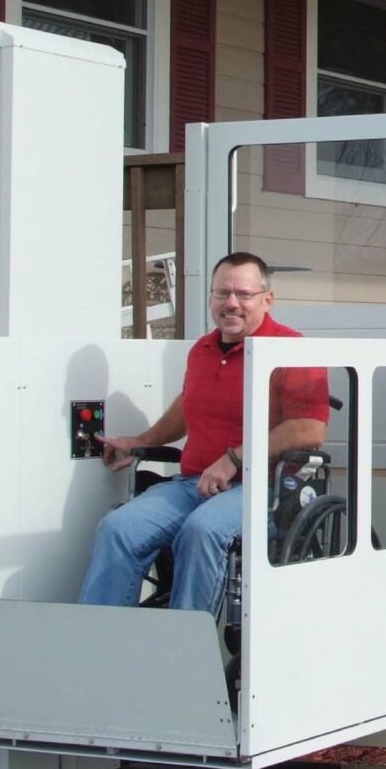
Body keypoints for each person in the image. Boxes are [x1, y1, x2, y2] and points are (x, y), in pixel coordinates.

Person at [78, 252, 330, 612]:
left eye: (243, 294)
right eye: (221, 293)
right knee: (117, 529)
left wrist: (234, 459)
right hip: (193, 485)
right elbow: (187, 408)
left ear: (267, 300)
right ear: (211, 298)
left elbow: (308, 429)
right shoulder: (202, 349)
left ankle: (182, 642)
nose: (231, 303)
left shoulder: (291, 349)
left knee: (200, 532)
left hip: (262, 489)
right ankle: (99, 638)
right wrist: (140, 442)